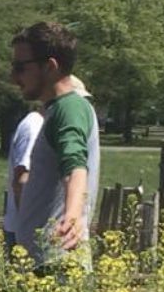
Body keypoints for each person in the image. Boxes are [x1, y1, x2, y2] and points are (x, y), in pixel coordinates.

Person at [10, 22, 100, 267]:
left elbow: (75, 167)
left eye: (20, 68)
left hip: (57, 266)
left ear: (49, 67)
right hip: (45, 264)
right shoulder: (57, 110)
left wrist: (72, 215)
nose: (13, 77)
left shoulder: (68, 108)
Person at [4, 108, 44, 250]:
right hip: (27, 233)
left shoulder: (41, 125)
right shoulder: (34, 127)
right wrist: (28, 228)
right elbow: (22, 180)